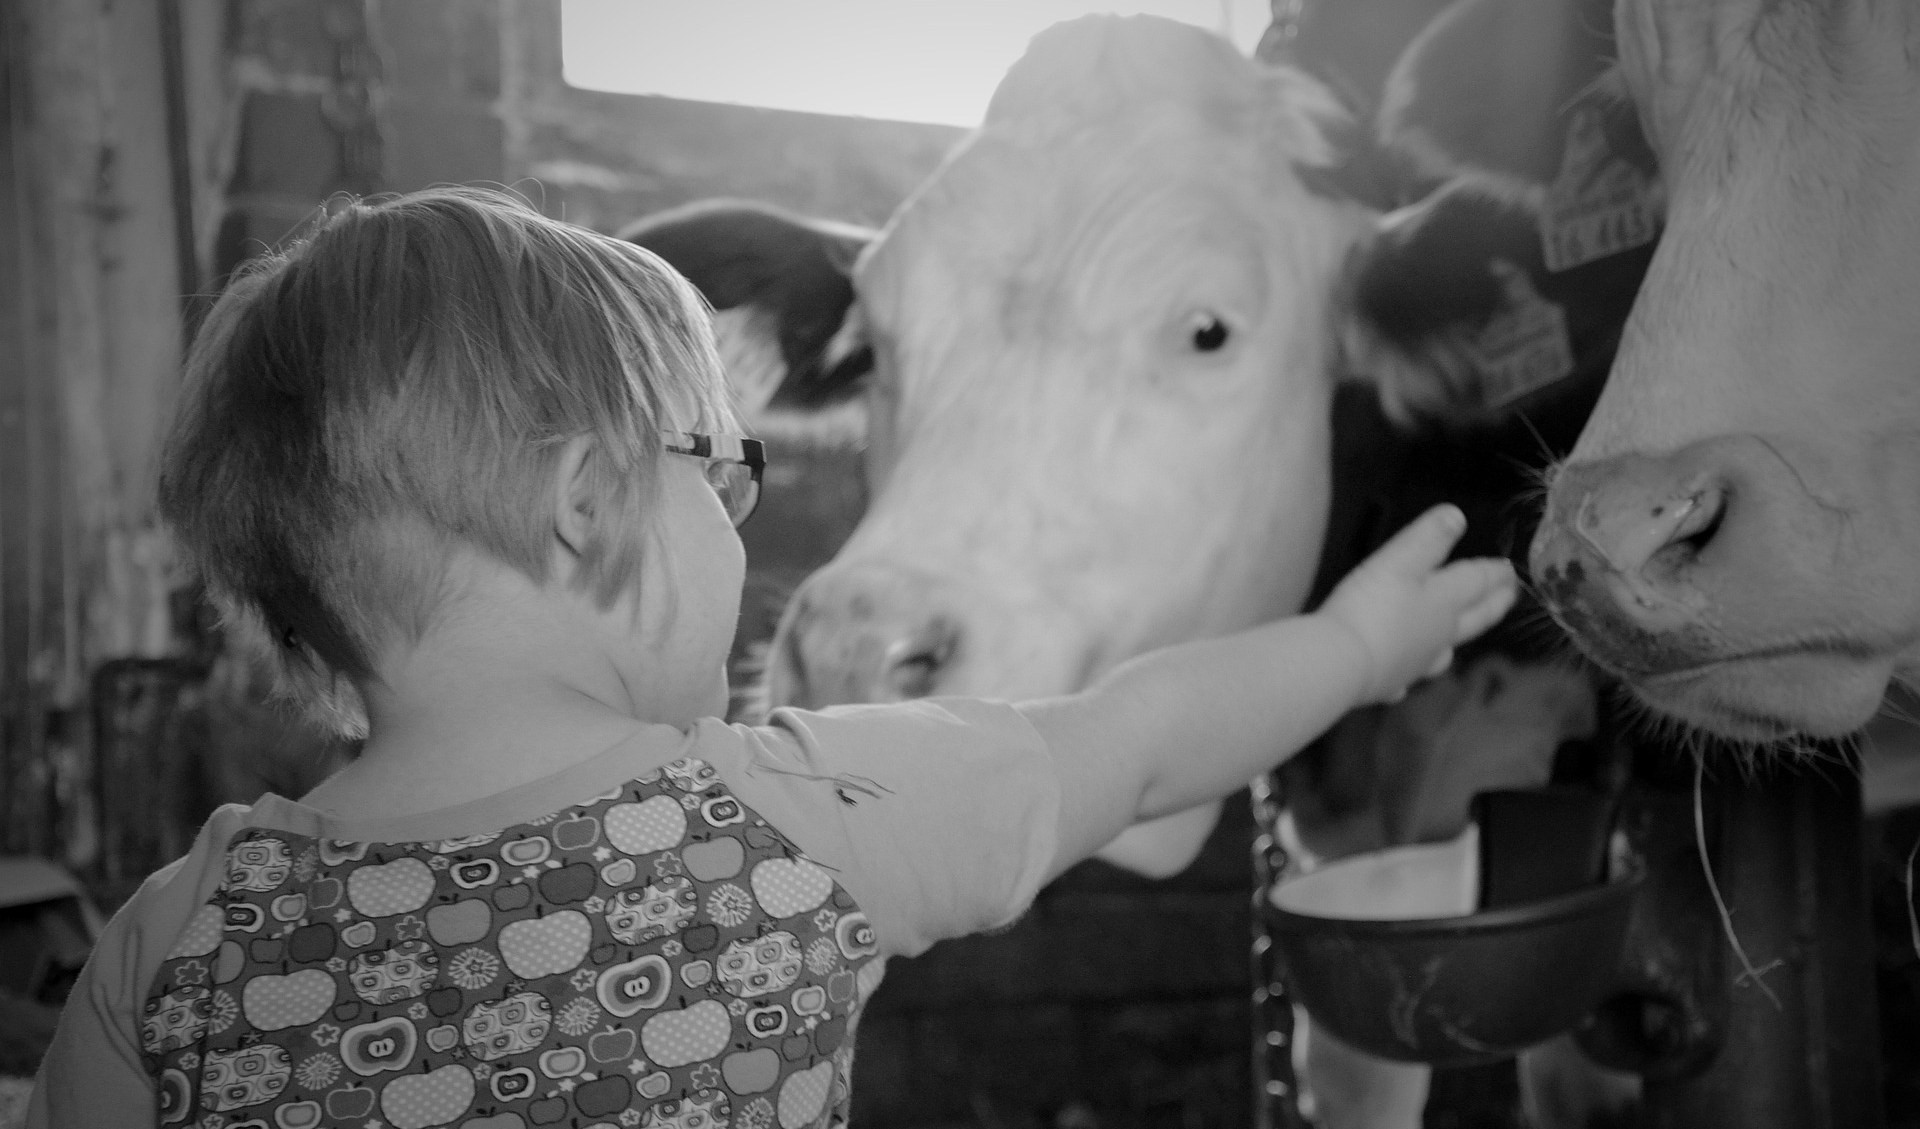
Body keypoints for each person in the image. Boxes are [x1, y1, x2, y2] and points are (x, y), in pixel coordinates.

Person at [27, 186, 1515, 1129]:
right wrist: (1356, 642)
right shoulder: (791, 822)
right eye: (720, 471)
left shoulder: (181, 937)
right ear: (590, 499)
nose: (742, 521)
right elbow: (1142, 738)